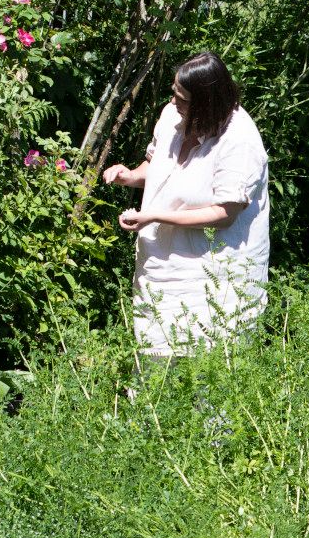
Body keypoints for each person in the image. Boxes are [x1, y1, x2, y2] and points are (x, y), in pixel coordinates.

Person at [101, 52, 270, 357]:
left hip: (216, 277)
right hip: (161, 266)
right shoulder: (172, 116)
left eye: (182, 97)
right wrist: (129, 176)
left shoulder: (239, 140)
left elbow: (224, 214)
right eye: (173, 92)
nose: (173, 101)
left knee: (208, 370)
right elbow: (158, 166)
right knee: (154, 361)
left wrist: (153, 216)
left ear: (206, 103)